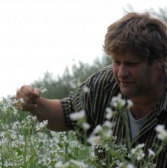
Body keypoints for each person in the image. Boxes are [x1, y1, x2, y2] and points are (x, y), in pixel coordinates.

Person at [15, 12, 167, 167]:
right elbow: (67, 114)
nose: (121, 73)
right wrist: (36, 104)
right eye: (116, 62)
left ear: (159, 60)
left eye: (131, 64)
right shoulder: (105, 84)